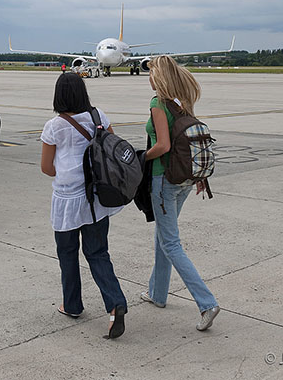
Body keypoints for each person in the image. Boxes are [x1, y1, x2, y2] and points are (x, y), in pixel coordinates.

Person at [40, 72, 128, 339]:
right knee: (98, 252)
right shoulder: (98, 116)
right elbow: (113, 148)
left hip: (67, 199)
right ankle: (115, 304)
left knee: (67, 253)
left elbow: (46, 168)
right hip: (97, 198)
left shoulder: (54, 126)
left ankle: (73, 304)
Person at [141, 55, 220, 331]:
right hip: (185, 179)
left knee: (171, 243)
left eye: (150, 73)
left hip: (164, 179)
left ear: (158, 77)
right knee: (163, 237)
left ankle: (206, 302)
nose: (148, 77)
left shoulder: (158, 104)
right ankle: (158, 294)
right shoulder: (182, 101)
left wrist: (142, 158)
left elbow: (162, 146)